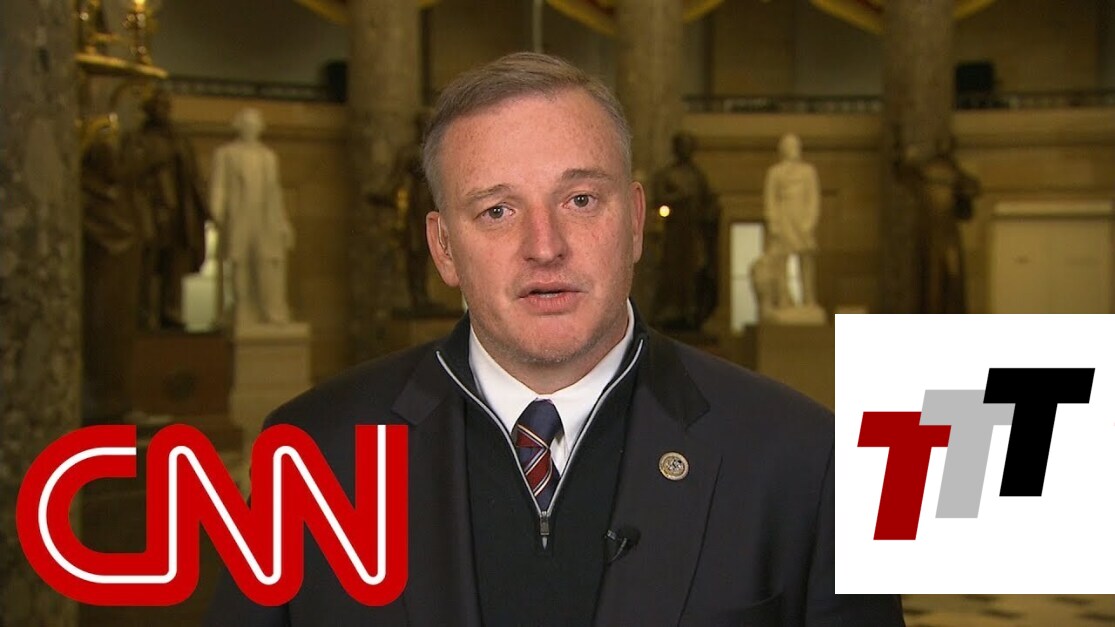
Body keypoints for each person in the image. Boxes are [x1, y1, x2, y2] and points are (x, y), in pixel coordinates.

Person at [207, 52, 904, 626]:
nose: (544, 246)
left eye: (580, 200)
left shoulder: (802, 459)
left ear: (634, 222)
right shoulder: (310, 455)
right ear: (444, 247)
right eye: (497, 210)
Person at [125, 87, 210, 329]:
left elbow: (193, 175)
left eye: (165, 105)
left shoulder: (180, 139)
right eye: (157, 105)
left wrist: (203, 207)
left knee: (176, 262)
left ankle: (171, 311)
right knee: (148, 263)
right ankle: (143, 313)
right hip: (151, 208)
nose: (162, 109)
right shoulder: (138, 138)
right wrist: (158, 156)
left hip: (179, 211)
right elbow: (132, 170)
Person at [210, 108, 294, 326]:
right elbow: (219, 186)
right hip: (239, 215)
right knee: (240, 262)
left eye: (255, 124)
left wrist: (283, 222)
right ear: (239, 126)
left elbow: (275, 192)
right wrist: (216, 211)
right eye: (247, 124)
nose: (251, 128)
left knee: (268, 262)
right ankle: (243, 309)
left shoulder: (269, 157)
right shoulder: (226, 154)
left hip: (265, 217)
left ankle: (271, 310)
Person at [651, 132, 720, 331]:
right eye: (683, 146)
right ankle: (671, 311)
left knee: (695, 272)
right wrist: (679, 197)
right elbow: (659, 198)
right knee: (672, 273)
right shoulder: (667, 175)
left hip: (694, 232)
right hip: (674, 233)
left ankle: (691, 311)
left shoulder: (698, 176)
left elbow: (707, 202)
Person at [763, 133, 821, 310]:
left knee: (806, 260)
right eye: (789, 146)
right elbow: (770, 199)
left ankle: (808, 298)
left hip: (802, 219)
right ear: (783, 150)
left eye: (795, 145)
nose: (793, 149)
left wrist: (810, 222)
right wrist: (773, 222)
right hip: (784, 217)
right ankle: (784, 298)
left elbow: (814, 199)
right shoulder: (774, 172)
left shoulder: (809, 171)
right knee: (781, 261)